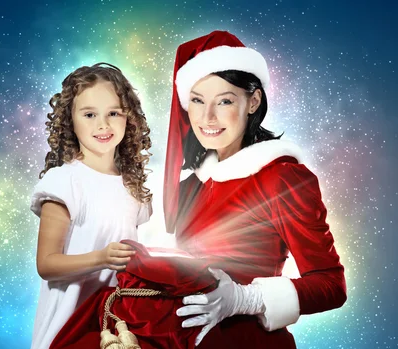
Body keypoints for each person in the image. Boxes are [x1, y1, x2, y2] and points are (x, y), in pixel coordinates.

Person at [163, 30, 348, 347]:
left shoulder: (282, 178)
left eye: (224, 101)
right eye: (197, 100)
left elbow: (332, 285)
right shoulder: (190, 186)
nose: (207, 117)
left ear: (253, 101)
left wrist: (243, 299)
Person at [29, 62, 153, 349]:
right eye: (89, 114)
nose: (103, 125)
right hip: (68, 327)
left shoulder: (132, 189)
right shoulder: (64, 181)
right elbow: (46, 264)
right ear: (70, 120)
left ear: (129, 118)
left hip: (115, 327)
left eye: (113, 113)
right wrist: (101, 258)